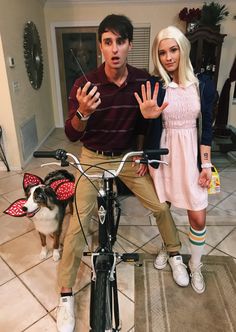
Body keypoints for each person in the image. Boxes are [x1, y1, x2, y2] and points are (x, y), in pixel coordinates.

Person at [57, 16, 188, 332]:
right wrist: (82, 114)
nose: (114, 49)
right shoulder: (83, 83)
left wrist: (146, 134)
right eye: (107, 42)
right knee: (78, 224)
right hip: (92, 157)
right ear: (101, 45)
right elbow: (72, 134)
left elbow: (147, 124)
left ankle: (174, 254)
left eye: (120, 41)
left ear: (130, 44)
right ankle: (64, 296)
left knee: (159, 206)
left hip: (128, 158)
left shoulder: (144, 82)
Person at [134, 25, 216, 294]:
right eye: (162, 52)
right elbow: (147, 126)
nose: (168, 57)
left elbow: (207, 129)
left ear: (183, 49)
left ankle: (195, 264)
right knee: (164, 210)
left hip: (191, 153)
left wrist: (205, 165)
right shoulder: (156, 85)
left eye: (173, 50)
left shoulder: (202, 85)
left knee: (198, 217)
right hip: (164, 152)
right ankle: (169, 247)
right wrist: (145, 125)